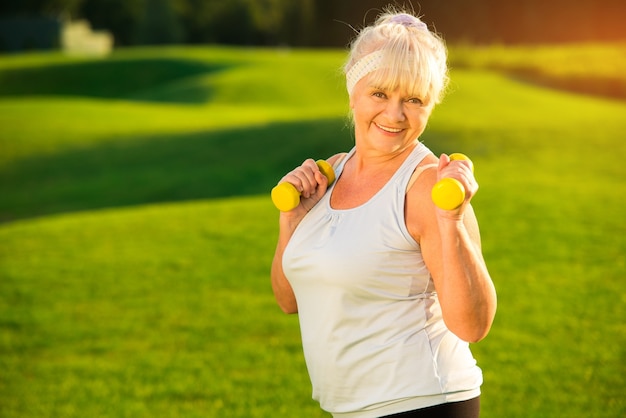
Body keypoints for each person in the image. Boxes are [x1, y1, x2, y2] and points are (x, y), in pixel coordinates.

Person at [270, 6, 497, 418]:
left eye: (413, 99)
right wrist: (292, 220)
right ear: (353, 91)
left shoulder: (428, 185)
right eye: (380, 94)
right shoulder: (331, 173)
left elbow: (473, 326)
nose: (395, 115)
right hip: (351, 410)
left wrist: (451, 220)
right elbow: (289, 299)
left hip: (423, 403)